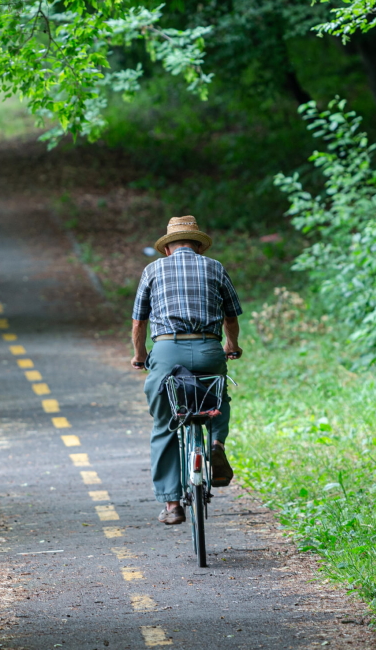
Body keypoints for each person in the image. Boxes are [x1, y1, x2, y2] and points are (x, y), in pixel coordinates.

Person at [130, 216, 243, 526]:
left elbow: (139, 322)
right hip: (208, 350)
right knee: (218, 399)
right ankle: (216, 444)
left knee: (165, 422)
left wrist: (140, 356)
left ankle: (171, 503)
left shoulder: (152, 270)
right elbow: (230, 317)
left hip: (167, 352)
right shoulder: (215, 267)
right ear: (198, 247)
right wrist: (231, 345)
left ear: (168, 249)